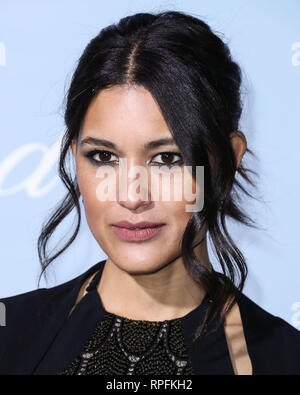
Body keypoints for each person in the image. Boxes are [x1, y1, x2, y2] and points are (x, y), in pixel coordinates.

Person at [0, 10, 299, 375]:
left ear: (227, 159)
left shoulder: (284, 359)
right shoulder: (9, 332)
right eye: (103, 157)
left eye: (167, 158)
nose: (132, 196)